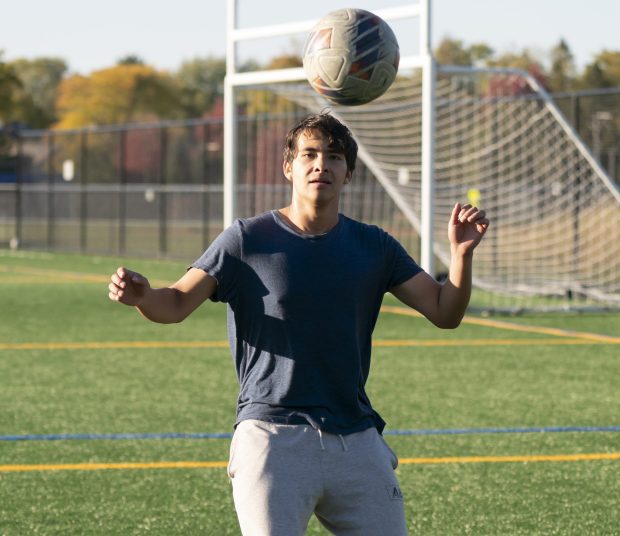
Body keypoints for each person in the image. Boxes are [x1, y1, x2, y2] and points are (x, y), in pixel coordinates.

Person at [108, 112, 489, 535]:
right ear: (288, 166)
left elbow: (444, 311)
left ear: (349, 174)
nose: (320, 164)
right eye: (309, 154)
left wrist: (461, 256)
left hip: (356, 438)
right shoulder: (246, 240)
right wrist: (142, 296)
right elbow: (176, 303)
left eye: (334, 156)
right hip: (272, 437)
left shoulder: (375, 245)